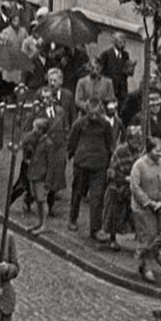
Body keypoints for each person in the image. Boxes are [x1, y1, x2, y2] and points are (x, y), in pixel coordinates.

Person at [67, 98, 117, 236]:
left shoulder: (105, 125)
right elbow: (72, 141)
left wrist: (108, 161)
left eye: (96, 113)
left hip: (99, 166)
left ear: (101, 110)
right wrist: (72, 154)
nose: (94, 116)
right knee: (77, 192)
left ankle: (95, 229)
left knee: (96, 196)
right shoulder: (79, 124)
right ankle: (72, 218)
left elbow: (109, 144)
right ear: (87, 110)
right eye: (91, 113)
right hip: (82, 164)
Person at [131, 137, 161, 282]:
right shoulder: (139, 165)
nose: (160, 154)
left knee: (157, 236)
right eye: (156, 151)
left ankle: (147, 261)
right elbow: (135, 187)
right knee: (147, 236)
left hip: (160, 208)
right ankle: (146, 266)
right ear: (149, 150)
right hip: (143, 208)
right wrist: (148, 202)